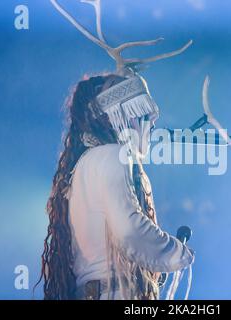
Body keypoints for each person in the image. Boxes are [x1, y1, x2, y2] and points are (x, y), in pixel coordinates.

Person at [37, 73, 194, 300]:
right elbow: (130, 231)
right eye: (142, 113)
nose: (152, 121)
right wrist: (177, 252)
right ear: (120, 115)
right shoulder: (113, 155)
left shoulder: (84, 164)